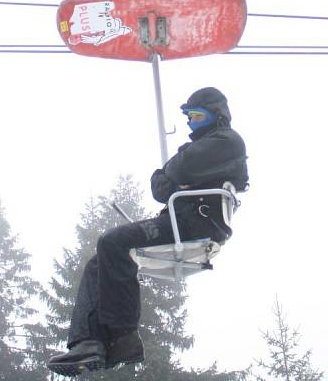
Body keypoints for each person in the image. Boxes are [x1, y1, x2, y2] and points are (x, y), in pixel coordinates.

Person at [47, 87, 249, 376]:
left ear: (215, 115)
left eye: (197, 115)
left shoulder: (228, 141)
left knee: (113, 242)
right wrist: (173, 178)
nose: (192, 122)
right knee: (100, 261)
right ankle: (88, 342)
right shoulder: (205, 147)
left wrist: (174, 176)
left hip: (197, 224)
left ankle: (124, 337)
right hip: (181, 222)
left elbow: (181, 168)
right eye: (189, 117)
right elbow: (159, 185)